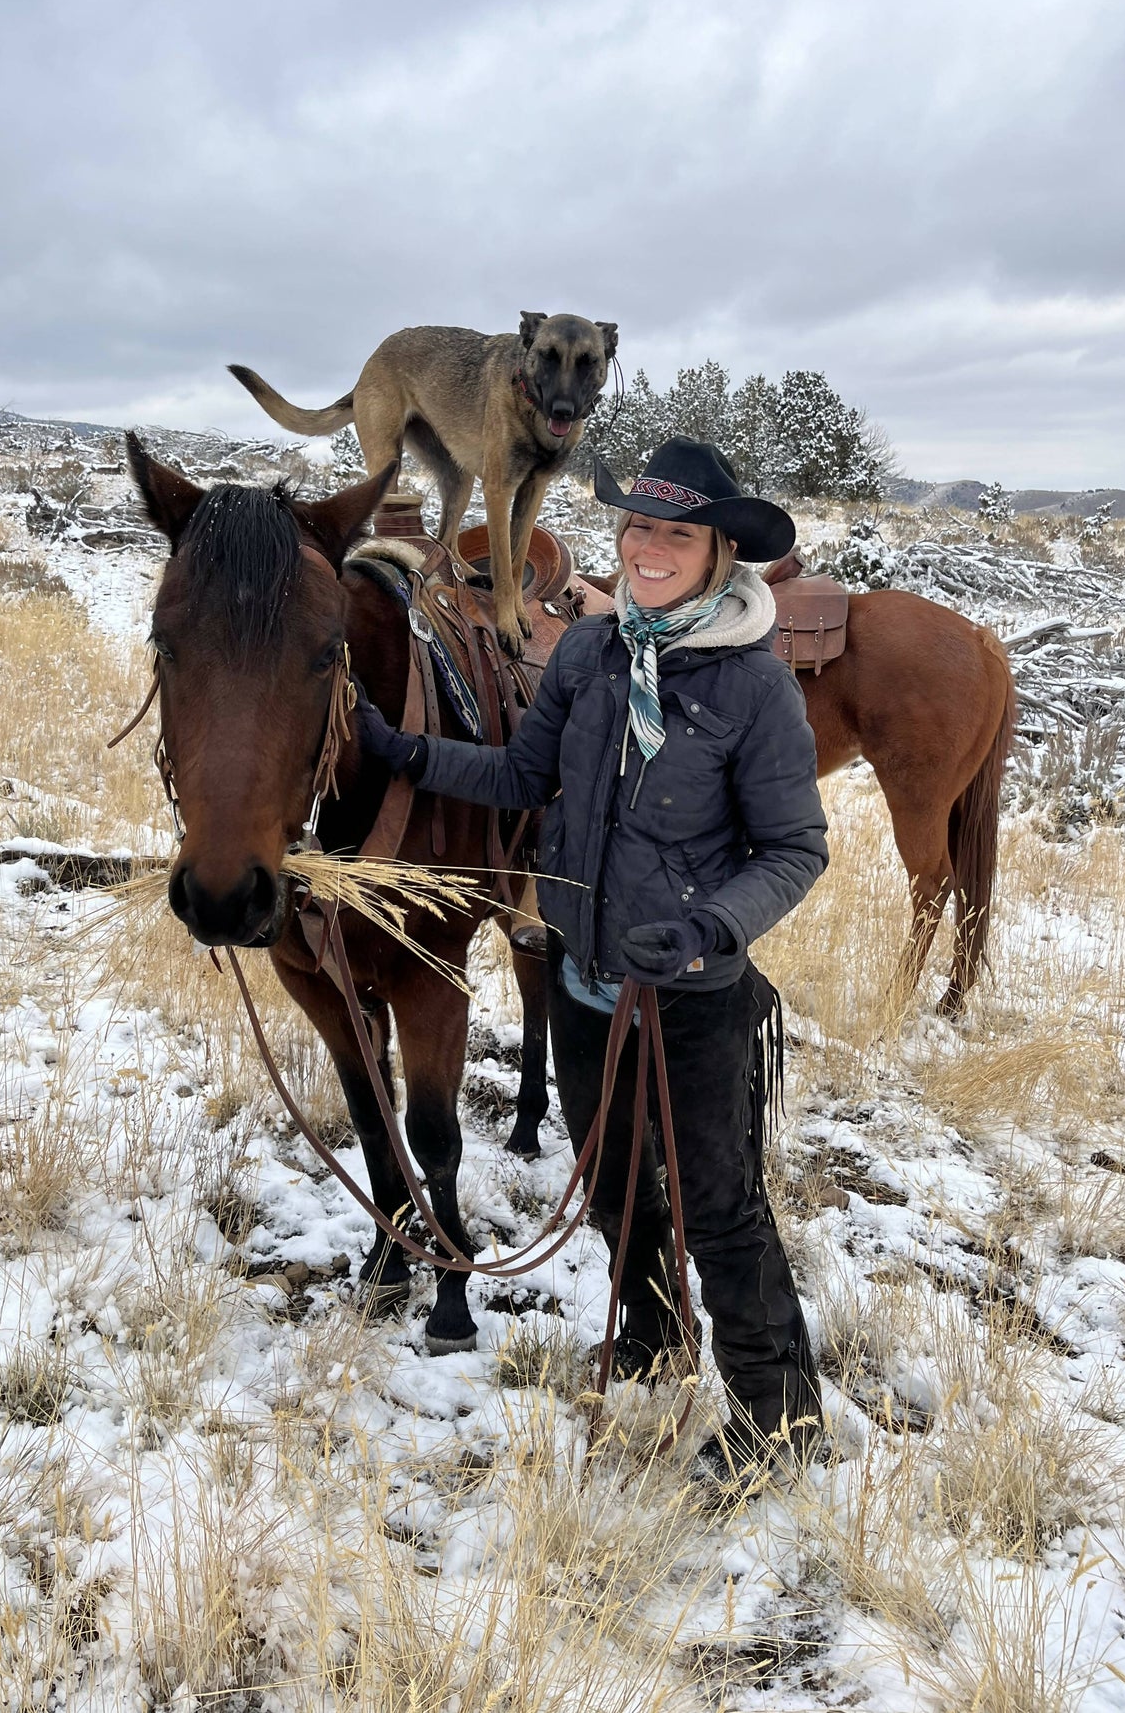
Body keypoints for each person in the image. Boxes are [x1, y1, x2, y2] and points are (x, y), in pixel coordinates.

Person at [355, 436, 829, 1490]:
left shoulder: (754, 689)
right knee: (612, 1183)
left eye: (676, 533)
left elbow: (796, 849)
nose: (649, 548)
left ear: (717, 552)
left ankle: (778, 1416)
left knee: (721, 1210)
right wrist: (405, 752)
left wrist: (711, 928)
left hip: (694, 998)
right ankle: (655, 1337)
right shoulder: (589, 653)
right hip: (581, 977)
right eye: (637, 528)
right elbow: (526, 776)